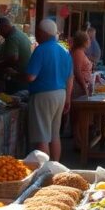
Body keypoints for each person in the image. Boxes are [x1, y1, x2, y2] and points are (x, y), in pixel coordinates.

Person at [26, 19, 73, 161]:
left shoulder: (41, 49)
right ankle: (55, 168)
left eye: (37, 32)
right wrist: (68, 99)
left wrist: (15, 74)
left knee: (42, 137)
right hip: (61, 94)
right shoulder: (64, 50)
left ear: (42, 33)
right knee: (54, 135)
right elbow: (70, 78)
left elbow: (30, 77)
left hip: (43, 95)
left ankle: (44, 172)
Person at [0, 17, 32, 92]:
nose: (0, 33)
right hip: (23, 76)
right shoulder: (19, 34)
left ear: (6, 26)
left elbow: (13, 59)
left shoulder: (12, 38)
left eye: (0, 30)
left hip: (17, 77)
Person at [70, 31, 94, 98]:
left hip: (82, 85)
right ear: (84, 41)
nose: (90, 41)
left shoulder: (80, 51)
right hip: (78, 87)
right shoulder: (78, 52)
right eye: (88, 39)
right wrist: (84, 87)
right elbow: (77, 71)